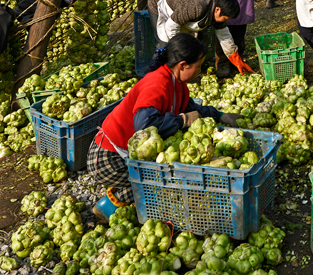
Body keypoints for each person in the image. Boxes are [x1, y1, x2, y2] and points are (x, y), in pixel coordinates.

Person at [88, 33, 242, 219]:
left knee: (166, 177)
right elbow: (144, 127)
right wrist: (183, 120)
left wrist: (222, 116)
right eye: (198, 66)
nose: (200, 71)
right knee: (161, 182)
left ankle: (122, 198)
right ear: (183, 65)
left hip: (127, 156)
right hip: (107, 158)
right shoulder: (157, 83)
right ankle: (108, 205)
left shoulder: (178, 85)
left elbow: (194, 109)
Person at [147, 0, 245, 71]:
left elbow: (224, 35)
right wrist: (180, 49)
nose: (224, 21)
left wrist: (236, 59)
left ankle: (184, 71)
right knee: (164, 45)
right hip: (160, 3)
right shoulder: (197, 6)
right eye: (225, 18)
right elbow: (171, 26)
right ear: (217, 10)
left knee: (194, 44)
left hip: (179, 13)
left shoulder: (217, 9)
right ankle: (153, 72)